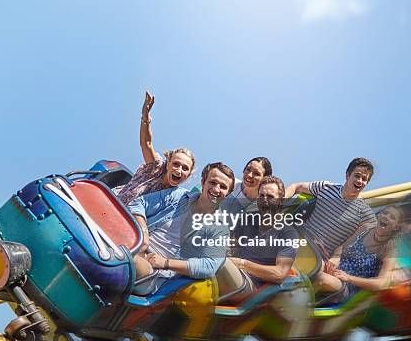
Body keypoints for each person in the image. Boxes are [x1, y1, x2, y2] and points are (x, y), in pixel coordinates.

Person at [127, 162, 235, 294]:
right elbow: (139, 204)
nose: (216, 189)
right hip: (134, 244)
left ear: (227, 194)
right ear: (203, 182)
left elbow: (209, 266)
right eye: (213, 182)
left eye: (223, 187)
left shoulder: (220, 230)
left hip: (153, 272)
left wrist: (165, 263)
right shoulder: (179, 195)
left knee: (127, 259)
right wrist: (143, 235)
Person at [285, 157, 377, 292]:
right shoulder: (326, 187)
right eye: (357, 176)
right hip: (300, 238)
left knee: (311, 273)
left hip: (320, 256)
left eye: (364, 179)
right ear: (347, 175)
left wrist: (336, 256)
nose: (360, 181)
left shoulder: (366, 215)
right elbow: (296, 186)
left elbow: (352, 242)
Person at [217, 176, 300, 299]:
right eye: (261, 196)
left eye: (270, 197)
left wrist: (242, 263)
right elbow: (230, 248)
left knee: (220, 263)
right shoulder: (246, 221)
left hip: (252, 288)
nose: (264, 200)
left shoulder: (288, 233)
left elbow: (280, 274)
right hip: (231, 275)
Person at [114, 91, 195, 205]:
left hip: (127, 221)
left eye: (185, 168)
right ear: (168, 164)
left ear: (189, 175)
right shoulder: (156, 168)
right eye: (176, 164)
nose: (179, 170)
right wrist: (145, 116)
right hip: (113, 202)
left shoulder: (174, 197)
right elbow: (146, 143)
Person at [333, 206, 404, 296]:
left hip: (347, 286)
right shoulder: (366, 228)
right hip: (334, 270)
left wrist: (348, 278)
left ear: (396, 227)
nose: (386, 217)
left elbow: (381, 284)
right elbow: (342, 246)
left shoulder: (390, 249)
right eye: (385, 213)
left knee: (321, 278)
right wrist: (335, 257)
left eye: (392, 217)